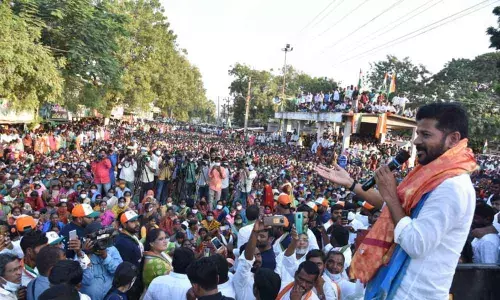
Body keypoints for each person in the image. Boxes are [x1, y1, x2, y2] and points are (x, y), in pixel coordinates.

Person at [315, 103, 477, 299]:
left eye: (426, 135)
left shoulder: (452, 187)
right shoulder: (431, 177)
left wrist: (391, 195)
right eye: (418, 133)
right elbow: (392, 210)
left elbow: (415, 243)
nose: (416, 141)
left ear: (453, 139)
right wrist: (351, 183)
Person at [80, 222, 123, 300]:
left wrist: (105, 256)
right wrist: (87, 255)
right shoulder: (81, 255)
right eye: (96, 238)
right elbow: (85, 280)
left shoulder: (112, 249)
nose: (100, 241)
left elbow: (119, 272)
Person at [233, 218, 264, 300]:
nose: (256, 259)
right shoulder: (241, 277)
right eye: (253, 256)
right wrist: (255, 232)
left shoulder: (263, 276)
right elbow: (247, 261)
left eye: (258, 255)